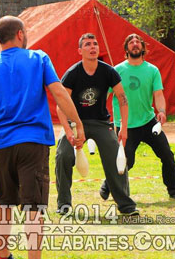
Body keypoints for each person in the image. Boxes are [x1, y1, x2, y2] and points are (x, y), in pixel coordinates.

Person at [0, 15, 85, 259]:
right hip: (33, 144)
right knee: (33, 207)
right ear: (20, 34)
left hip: (3, 145)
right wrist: (77, 123)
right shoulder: (39, 58)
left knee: (4, 204)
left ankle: (3, 255)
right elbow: (58, 93)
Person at [55, 33, 138, 216]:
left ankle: (126, 205)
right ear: (80, 51)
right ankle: (63, 204)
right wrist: (68, 131)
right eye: (87, 44)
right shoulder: (72, 73)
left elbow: (122, 99)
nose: (92, 47)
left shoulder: (108, 71)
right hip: (76, 123)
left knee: (114, 155)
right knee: (63, 155)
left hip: (100, 122)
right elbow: (60, 105)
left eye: (95, 44)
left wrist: (123, 127)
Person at [100, 34, 175, 200]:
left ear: (143, 48)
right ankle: (108, 185)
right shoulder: (117, 70)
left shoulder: (152, 70)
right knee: (127, 162)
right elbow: (104, 95)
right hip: (126, 125)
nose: (135, 44)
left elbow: (158, 94)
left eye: (138, 42)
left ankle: (174, 191)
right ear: (126, 49)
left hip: (148, 122)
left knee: (167, 155)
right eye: (131, 42)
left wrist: (161, 111)